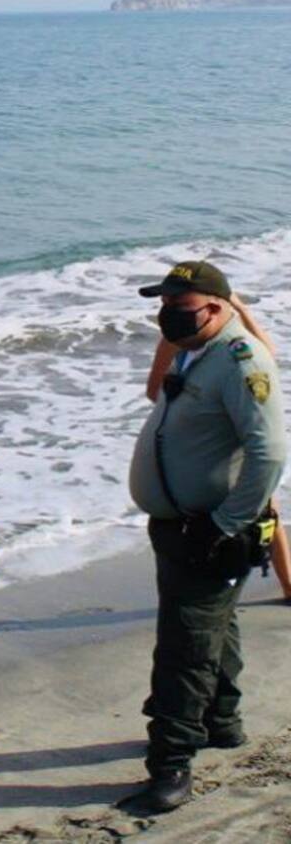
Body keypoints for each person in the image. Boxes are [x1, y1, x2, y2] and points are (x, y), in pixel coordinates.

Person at [127, 260, 287, 813]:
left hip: (206, 529)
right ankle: (222, 719)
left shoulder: (241, 362)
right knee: (217, 623)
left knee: (184, 647)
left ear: (218, 308)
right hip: (183, 524)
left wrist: (223, 526)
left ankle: (170, 764)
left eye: (179, 305)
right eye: (163, 304)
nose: (166, 315)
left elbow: (269, 454)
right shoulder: (198, 348)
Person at [145, 294, 291, 602]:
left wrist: (240, 309)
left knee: (266, 507)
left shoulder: (233, 342)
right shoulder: (180, 337)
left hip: (236, 430)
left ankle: (287, 583)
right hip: (205, 437)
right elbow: (154, 390)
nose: (167, 309)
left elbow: (267, 355)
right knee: (264, 507)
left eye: (174, 301)